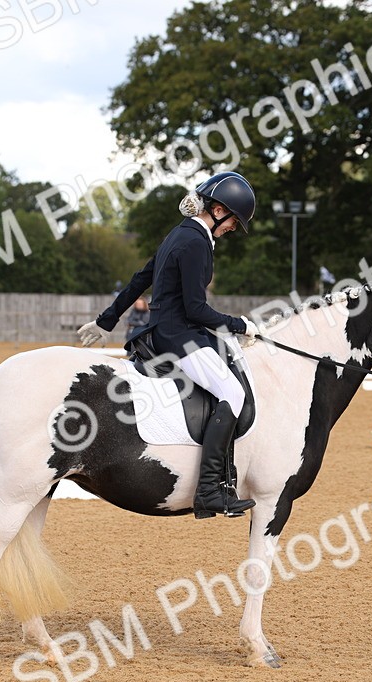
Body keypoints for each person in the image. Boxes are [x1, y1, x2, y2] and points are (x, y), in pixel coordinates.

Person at [77, 171, 260, 519]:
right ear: (219, 211)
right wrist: (240, 325)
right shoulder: (196, 242)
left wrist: (107, 320)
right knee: (233, 394)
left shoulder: (181, 233)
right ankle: (209, 490)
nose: (233, 229)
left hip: (164, 330)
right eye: (234, 222)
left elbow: (141, 278)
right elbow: (195, 308)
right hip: (180, 337)